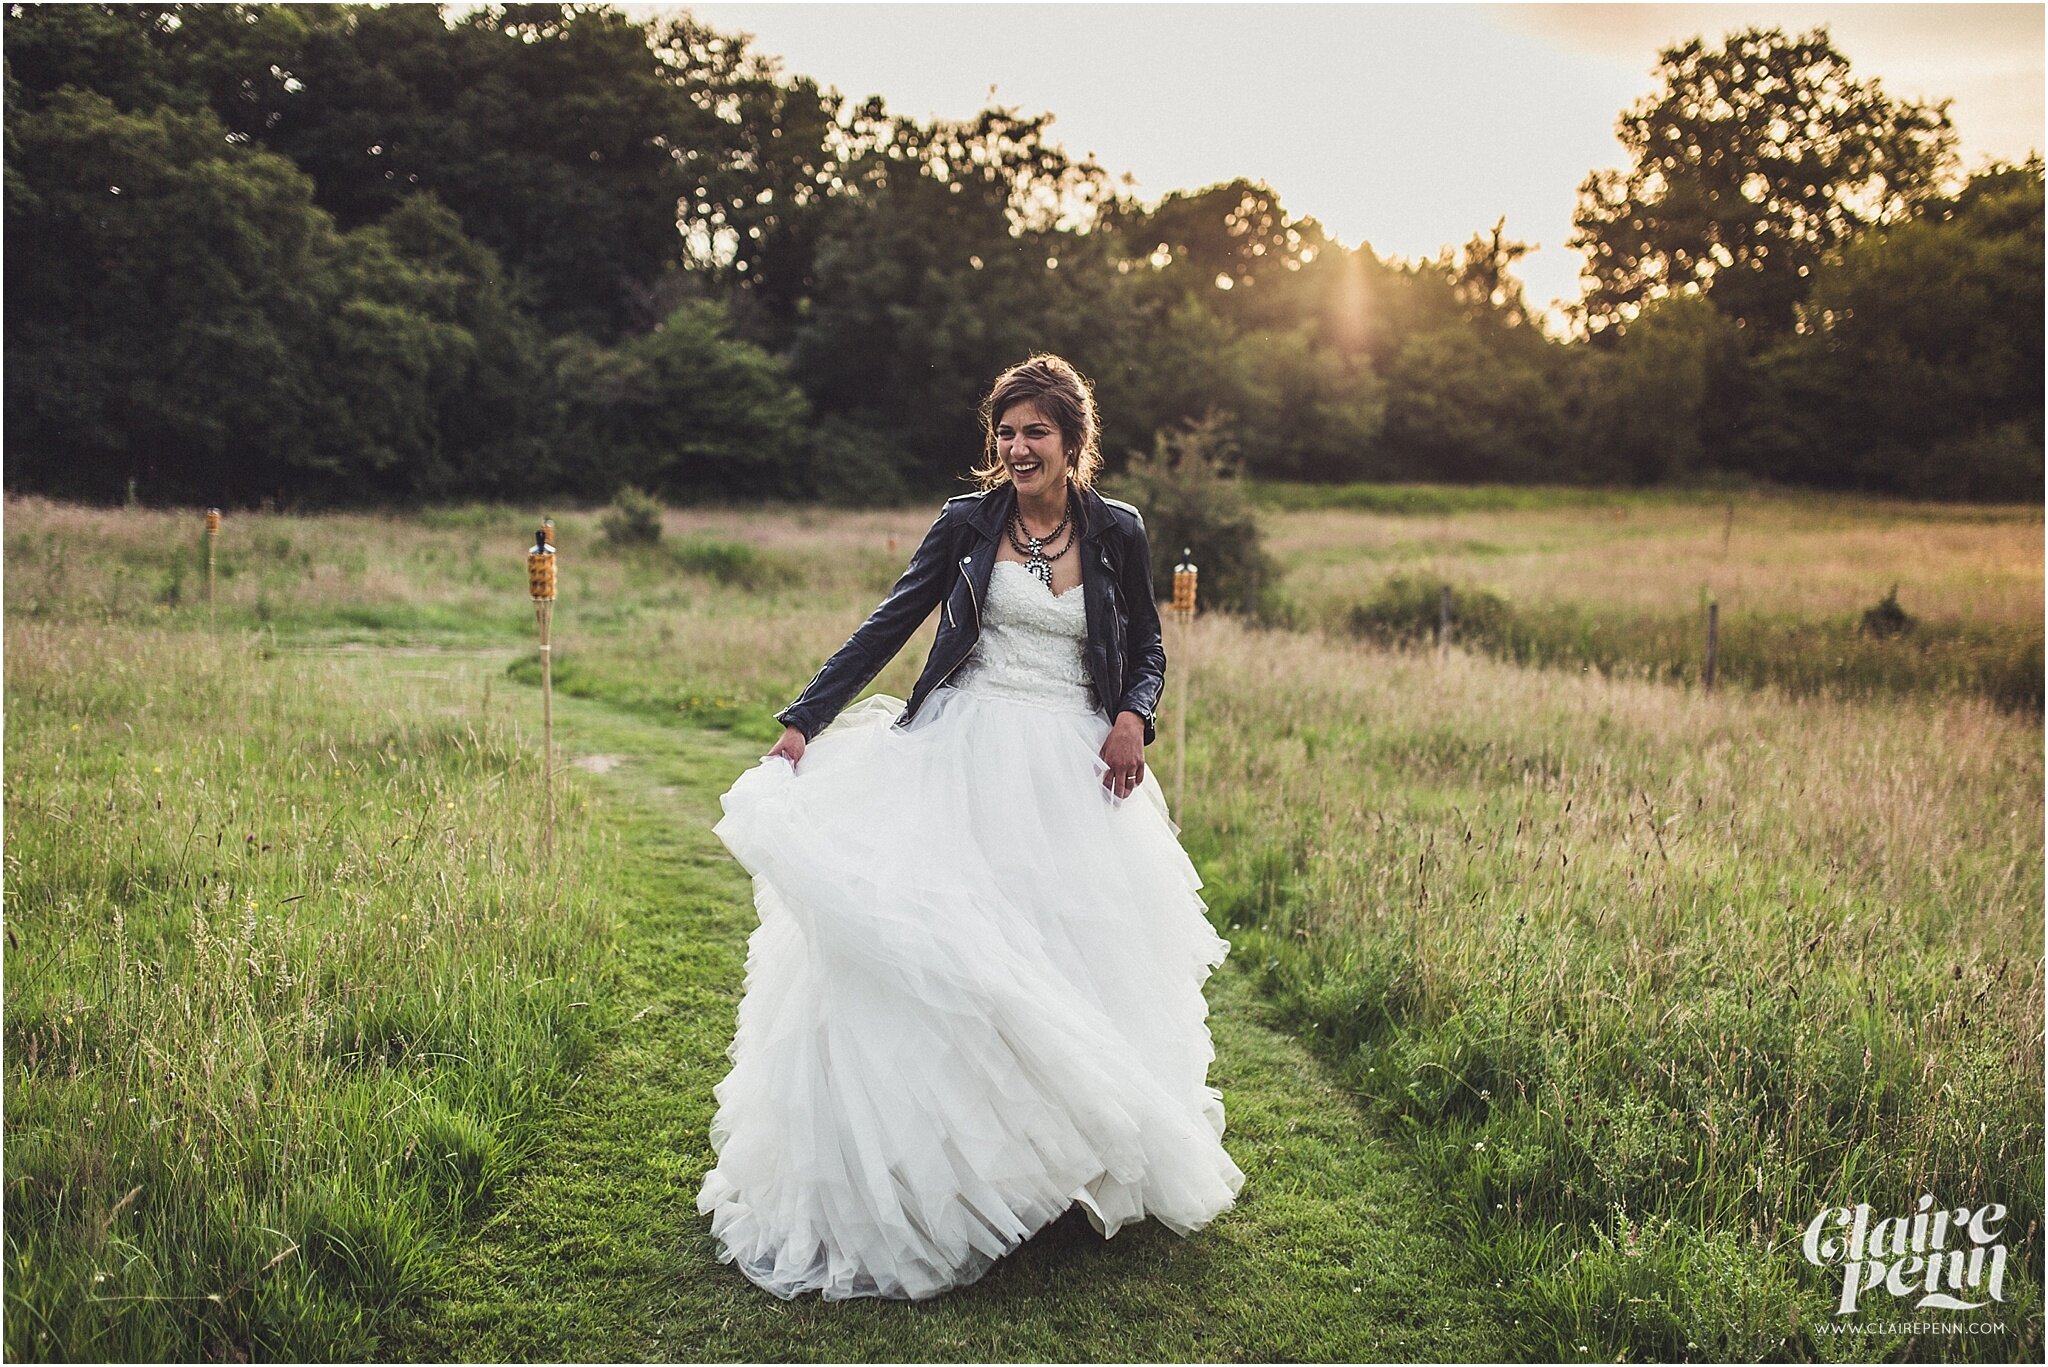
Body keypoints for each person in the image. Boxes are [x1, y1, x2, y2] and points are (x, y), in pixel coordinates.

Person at [698, 354, 1244, 1301]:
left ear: (1073, 443)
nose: (1017, 446)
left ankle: (1057, 1173)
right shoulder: (967, 523)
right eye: (1006, 430)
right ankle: (948, 1181)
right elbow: (890, 624)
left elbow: (1146, 645)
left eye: (1036, 431)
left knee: (1064, 965)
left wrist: (1133, 715)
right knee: (957, 963)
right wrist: (802, 721)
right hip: (962, 752)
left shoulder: (1117, 531)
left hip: (1074, 772)